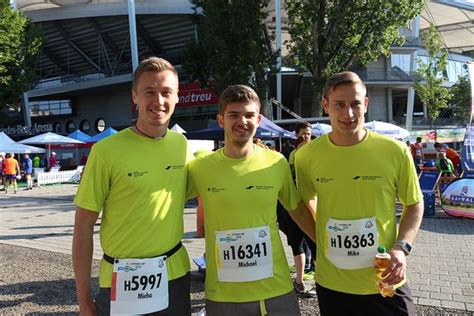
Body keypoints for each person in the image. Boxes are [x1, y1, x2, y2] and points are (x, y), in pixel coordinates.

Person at [295, 71, 424, 315]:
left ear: (366, 103)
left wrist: (401, 247)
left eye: (355, 104)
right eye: (339, 105)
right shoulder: (306, 156)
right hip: (333, 283)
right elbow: (304, 201)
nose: (348, 113)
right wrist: (320, 239)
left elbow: (414, 204)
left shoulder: (395, 151)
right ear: (325, 105)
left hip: (385, 279)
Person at [72, 57, 192, 315]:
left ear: (177, 97)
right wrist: (83, 299)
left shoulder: (181, 146)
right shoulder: (105, 152)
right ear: (134, 97)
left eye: (166, 92)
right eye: (149, 92)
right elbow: (83, 226)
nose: (159, 101)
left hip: (174, 277)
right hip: (121, 279)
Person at [186, 85, 315, 316]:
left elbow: (298, 211)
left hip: (275, 289)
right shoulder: (200, 167)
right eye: (233, 115)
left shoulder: (276, 162)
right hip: (224, 294)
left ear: (258, 119)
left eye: (248, 115)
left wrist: (327, 251)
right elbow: (164, 200)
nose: (242, 121)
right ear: (220, 120)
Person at [280, 121, 317, 294]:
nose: (307, 137)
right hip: (296, 206)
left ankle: (320, 279)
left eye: (309, 134)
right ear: (297, 135)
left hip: (312, 206)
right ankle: (300, 280)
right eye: (303, 134)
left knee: (316, 244)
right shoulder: (295, 154)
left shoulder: (315, 153)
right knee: (298, 245)